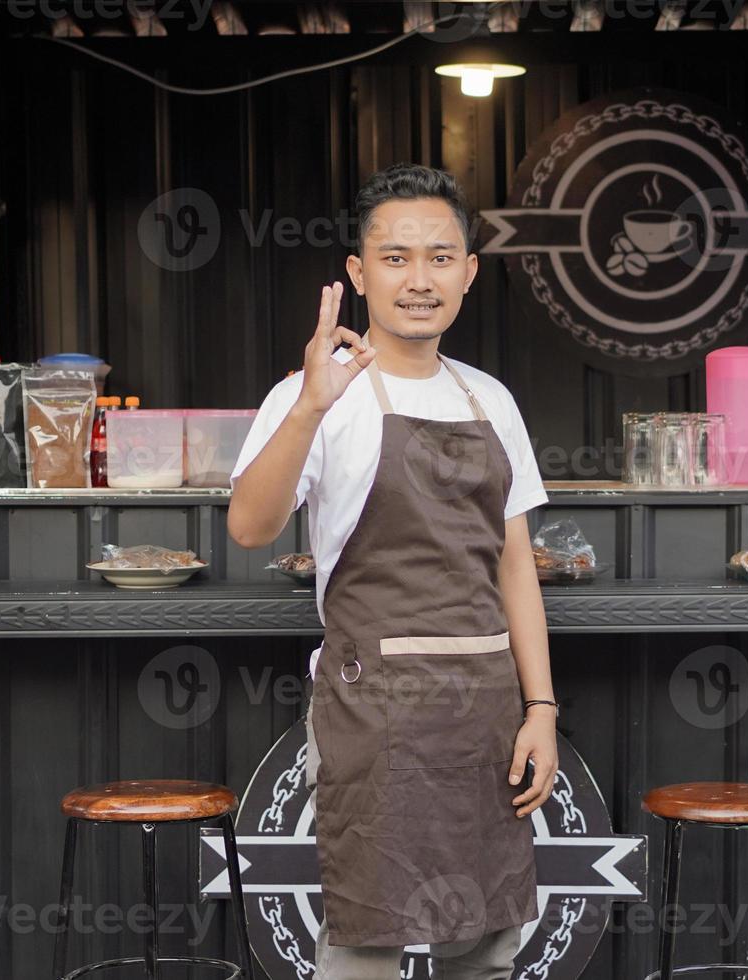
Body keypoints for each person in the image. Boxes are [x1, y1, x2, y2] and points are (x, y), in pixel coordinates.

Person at [228, 163, 559, 979]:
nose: (420, 280)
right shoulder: (311, 395)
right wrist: (310, 404)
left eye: (441, 258)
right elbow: (249, 527)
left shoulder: (492, 400)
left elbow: (514, 563)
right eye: (397, 257)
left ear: (470, 274)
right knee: (364, 943)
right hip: (372, 709)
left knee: (484, 946)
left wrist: (541, 707)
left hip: (483, 709)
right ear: (357, 272)